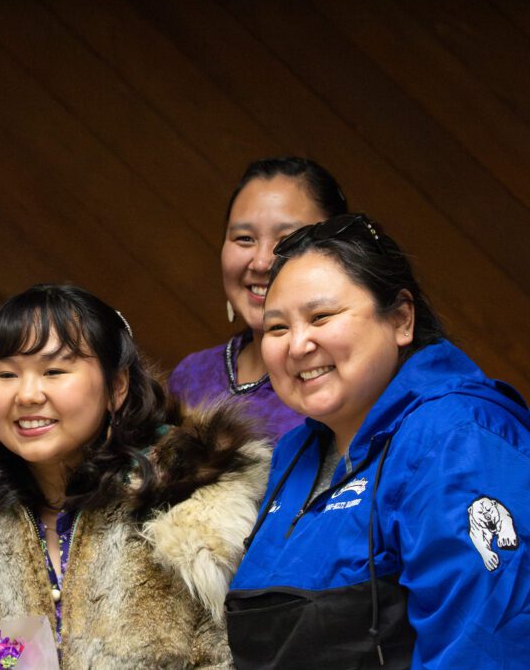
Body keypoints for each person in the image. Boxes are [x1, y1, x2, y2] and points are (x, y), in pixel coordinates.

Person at [0, 284, 271, 667]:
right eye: (6, 375)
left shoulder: (192, 514)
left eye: (54, 371)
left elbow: (233, 656)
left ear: (117, 387)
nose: (26, 395)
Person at [225, 215, 530, 669]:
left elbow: (485, 647)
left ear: (402, 319)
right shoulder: (293, 453)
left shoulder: (456, 437)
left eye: (321, 316)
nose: (297, 344)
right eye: (277, 328)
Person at [169, 157, 347, 441]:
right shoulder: (191, 375)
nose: (262, 262)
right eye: (244, 239)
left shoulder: (348, 376)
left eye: (287, 239)